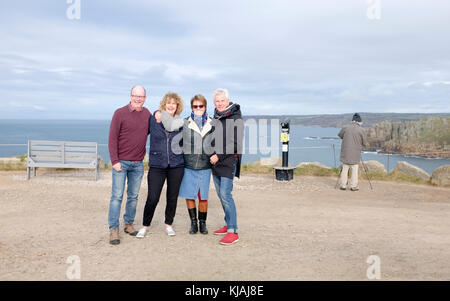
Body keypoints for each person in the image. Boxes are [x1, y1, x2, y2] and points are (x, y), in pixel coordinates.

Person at [136, 92, 184, 238]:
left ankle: (168, 224)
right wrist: (157, 113)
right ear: (164, 104)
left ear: (177, 106)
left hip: (177, 165)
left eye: (174, 103)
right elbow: (139, 133)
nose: (171, 105)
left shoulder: (181, 123)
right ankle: (145, 226)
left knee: (172, 197)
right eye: (168, 103)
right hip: (157, 165)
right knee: (153, 197)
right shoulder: (153, 119)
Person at [107, 85, 150, 245]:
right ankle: (113, 229)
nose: (138, 99)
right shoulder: (119, 113)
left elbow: (154, 130)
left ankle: (129, 224)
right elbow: (112, 139)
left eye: (141, 96)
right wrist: (115, 161)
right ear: (131, 96)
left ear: (145, 98)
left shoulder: (147, 114)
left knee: (133, 196)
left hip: (137, 164)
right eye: (135, 95)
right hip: (121, 163)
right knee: (117, 197)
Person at [209, 88, 244, 245]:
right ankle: (228, 223)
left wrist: (218, 155)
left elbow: (235, 144)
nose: (220, 103)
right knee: (221, 195)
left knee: (225, 194)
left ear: (228, 101)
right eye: (217, 101)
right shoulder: (216, 116)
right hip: (215, 162)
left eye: (222, 100)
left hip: (228, 162)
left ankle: (233, 230)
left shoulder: (236, 117)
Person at [178, 94, 214, 235]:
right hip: (188, 165)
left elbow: (217, 143)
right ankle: (193, 223)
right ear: (192, 107)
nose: (198, 108)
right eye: (195, 106)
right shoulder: (185, 123)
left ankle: (202, 223)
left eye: (201, 106)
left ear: (205, 107)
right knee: (190, 195)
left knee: (203, 196)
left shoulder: (213, 123)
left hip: (205, 166)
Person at [337, 113, 368, 191]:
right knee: (354, 169)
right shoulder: (362, 130)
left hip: (345, 152)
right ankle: (353, 186)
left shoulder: (345, 127)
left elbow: (340, 135)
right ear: (359, 121)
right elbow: (364, 142)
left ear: (352, 120)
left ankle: (343, 185)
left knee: (345, 169)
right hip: (355, 152)